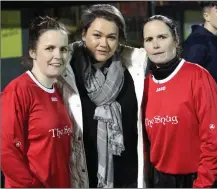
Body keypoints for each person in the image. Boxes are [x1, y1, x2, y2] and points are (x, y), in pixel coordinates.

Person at [57, 4, 148, 188]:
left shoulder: (135, 67)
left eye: (111, 37)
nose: (104, 44)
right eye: (97, 35)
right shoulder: (65, 71)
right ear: (84, 34)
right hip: (84, 177)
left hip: (128, 178)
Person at [142, 15, 217, 188]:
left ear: (176, 40)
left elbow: (214, 140)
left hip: (195, 179)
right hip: (159, 180)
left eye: (162, 37)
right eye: (149, 39)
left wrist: (203, 183)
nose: (155, 45)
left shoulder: (198, 76)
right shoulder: (145, 84)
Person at [1, 16, 72, 188]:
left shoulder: (63, 91)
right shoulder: (18, 91)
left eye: (63, 49)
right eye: (49, 48)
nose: (58, 55)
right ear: (32, 52)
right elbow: (6, 151)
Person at [183, 1, 217, 109]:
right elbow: (189, 82)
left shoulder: (213, 40)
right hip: (209, 110)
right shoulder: (198, 42)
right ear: (207, 16)